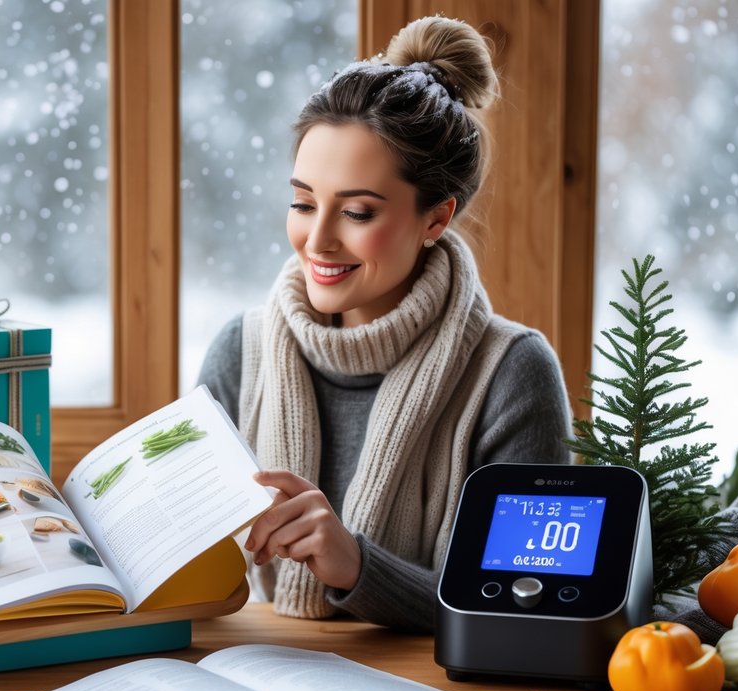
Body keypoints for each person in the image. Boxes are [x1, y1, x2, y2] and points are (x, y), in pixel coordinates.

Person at [196, 16, 572, 631]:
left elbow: (520, 612)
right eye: (303, 202)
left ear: (435, 218)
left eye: (358, 212)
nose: (316, 240)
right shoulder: (242, 350)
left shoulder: (513, 375)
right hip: (263, 669)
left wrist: (356, 567)